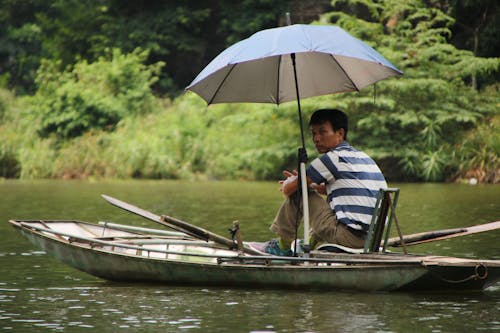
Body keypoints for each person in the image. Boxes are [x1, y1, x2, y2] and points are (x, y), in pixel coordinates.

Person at [260, 108, 387, 256]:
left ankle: (282, 247)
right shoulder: (363, 157)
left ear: (340, 133)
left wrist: (291, 183)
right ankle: (310, 243)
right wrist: (306, 183)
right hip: (372, 240)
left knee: (299, 193)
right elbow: (347, 191)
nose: (316, 139)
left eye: (322, 132)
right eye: (314, 133)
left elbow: (289, 190)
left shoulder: (332, 158)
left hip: (348, 238)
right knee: (328, 200)